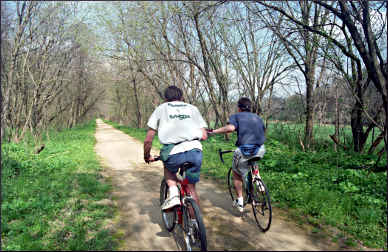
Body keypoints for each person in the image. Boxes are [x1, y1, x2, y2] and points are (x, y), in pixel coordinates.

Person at [144, 86, 208, 211]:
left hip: (173, 153)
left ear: (165, 99)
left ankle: (173, 193)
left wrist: (146, 155)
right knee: (191, 188)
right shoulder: (192, 108)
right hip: (195, 151)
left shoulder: (161, 109)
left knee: (168, 169)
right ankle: (195, 225)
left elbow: (148, 139)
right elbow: (204, 135)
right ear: (182, 97)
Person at [209, 97, 266, 213]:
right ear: (250, 108)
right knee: (253, 160)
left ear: (239, 108)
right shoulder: (258, 118)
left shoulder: (236, 116)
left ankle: (240, 200)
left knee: (236, 173)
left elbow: (230, 128)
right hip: (261, 148)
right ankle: (258, 180)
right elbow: (262, 131)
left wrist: (213, 131)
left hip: (244, 150)